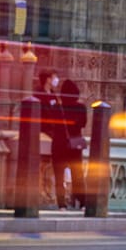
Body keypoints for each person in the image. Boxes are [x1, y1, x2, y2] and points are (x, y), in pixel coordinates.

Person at [48, 73, 87, 209]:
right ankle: (82, 202)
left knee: (59, 177)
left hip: (59, 144)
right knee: (78, 175)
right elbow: (83, 124)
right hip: (74, 145)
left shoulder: (57, 107)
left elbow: (52, 124)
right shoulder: (81, 107)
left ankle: (61, 204)